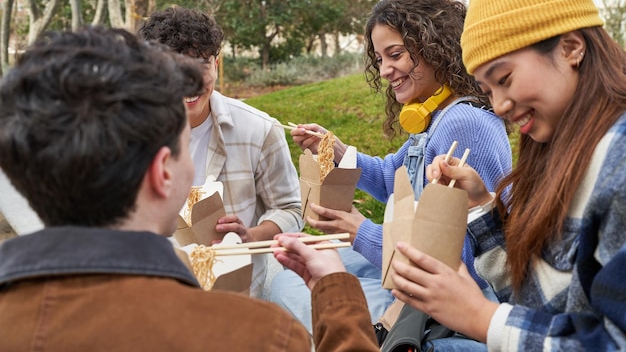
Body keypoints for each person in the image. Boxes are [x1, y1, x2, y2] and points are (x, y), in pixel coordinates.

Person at [0, 26, 379, 352]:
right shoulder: (259, 335)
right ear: (162, 172)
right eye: (181, 145)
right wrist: (337, 298)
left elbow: (287, 206)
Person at [389, 0, 626, 351]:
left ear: (570, 47)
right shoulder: (563, 149)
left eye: (505, 78)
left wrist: (481, 319)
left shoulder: (618, 164)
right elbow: (546, 300)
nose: (499, 105)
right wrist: (480, 206)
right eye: (488, 90)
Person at [270, 0, 512, 342]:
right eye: (379, 59)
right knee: (293, 273)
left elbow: (448, 262)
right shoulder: (437, 117)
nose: (384, 70)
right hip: (408, 274)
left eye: (394, 54)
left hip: (445, 308)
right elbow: (390, 177)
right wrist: (336, 150)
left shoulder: (464, 125)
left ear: (435, 48)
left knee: (296, 289)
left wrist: (359, 231)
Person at [138, 6, 303, 297]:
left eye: (201, 63)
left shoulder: (260, 129)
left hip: (237, 298)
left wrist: (250, 235)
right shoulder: (127, 133)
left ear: (217, 63)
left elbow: (291, 209)